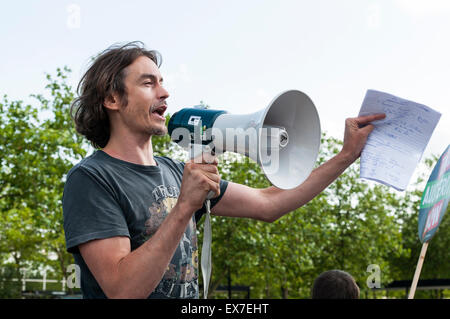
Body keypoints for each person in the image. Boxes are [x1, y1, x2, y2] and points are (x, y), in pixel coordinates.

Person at [62, 41, 385, 299]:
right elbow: (123, 290)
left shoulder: (176, 172)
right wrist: (185, 206)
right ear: (112, 99)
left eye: (162, 82)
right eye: (148, 83)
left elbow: (269, 203)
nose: (164, 93)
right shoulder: (92, 178)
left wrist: (346, 155)